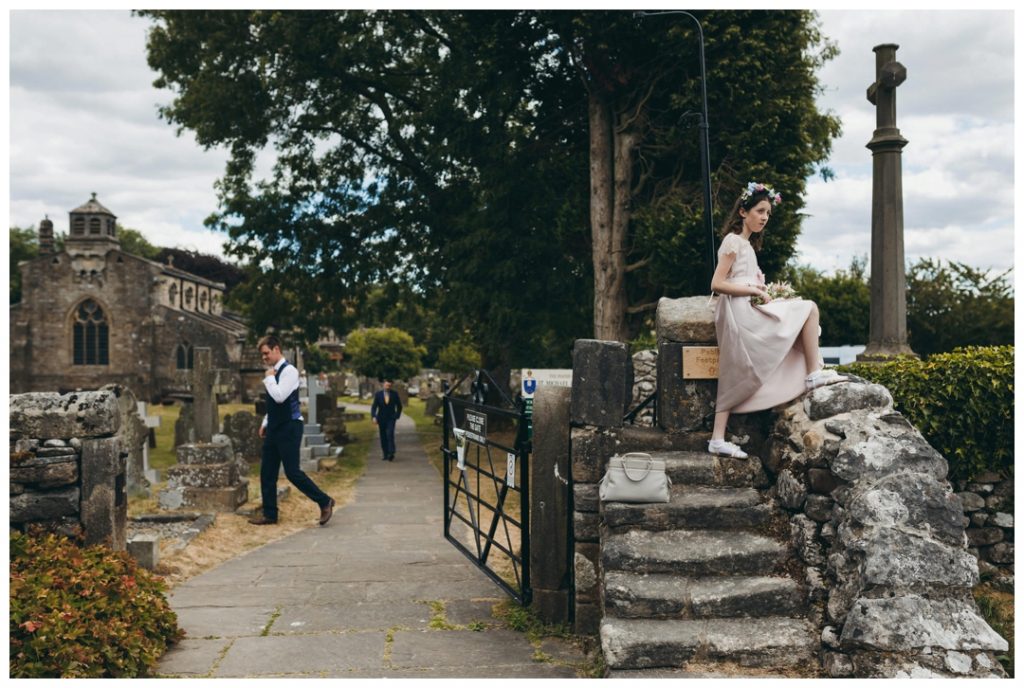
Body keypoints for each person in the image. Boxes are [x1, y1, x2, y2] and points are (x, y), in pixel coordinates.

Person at [708, 181, 846, 458]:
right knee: (808, 309)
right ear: (743, 212)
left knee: (737, 368)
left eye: (768, 213)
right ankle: (812, 375)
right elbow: (717, 283)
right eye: (760, 211)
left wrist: (766, 293)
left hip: (746, 307)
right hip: (738, 313)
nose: (764, 217)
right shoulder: (733, 241)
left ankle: (717, 438)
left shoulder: (746, 245)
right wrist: (753, 290)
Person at [249, 335, 336, 526]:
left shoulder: (290, 371)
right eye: (262, 354)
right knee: (267, 472)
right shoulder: (272, 372)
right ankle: (270, 515)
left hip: (290, 426)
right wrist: (265, 422)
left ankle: (324, 501)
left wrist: (269, 379)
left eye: (266, 353)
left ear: (276, 349)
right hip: (274, 426)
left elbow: (280, 397)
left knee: (292, 472)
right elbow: (272, 404)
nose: (264, 358)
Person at [371, 379, 402, 461]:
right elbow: (374, 407)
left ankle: (391, 452)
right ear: (383, 385)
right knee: (383, 436)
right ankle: (385, 453)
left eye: (389, 385)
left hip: (391, 418)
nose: (388, 387)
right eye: (386, 385)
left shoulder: (394, 394)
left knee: (390, 434)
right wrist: (374, 416)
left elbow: (399, 406)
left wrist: (397, 415)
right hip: (381, 418)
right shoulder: (378, 394)